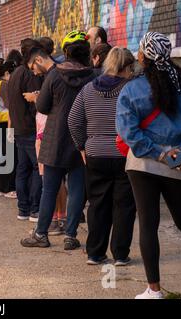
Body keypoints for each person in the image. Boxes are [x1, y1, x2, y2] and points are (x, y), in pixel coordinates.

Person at [116, 32, 181, 299]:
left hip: (142, 165)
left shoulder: (131, 89)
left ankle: (153, 290)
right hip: (179, 165)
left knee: (148, 224)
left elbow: (128, 133)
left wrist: (156, 153)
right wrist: (175, 156)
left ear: (143, 56)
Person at [21, 31, 96, 250]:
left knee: (50, 190)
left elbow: (42, 106)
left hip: (55, 140)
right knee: (76, 191)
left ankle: (41, 234)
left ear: (66, 52)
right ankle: (70, 236)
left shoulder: (54, 75)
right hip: (80, 141)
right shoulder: (92, 77)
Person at [68, 47, 137, 266]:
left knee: (97, 204)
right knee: (124, 205)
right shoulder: (130, 88)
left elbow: (73, 120)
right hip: (123, 153)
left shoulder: (88, 89)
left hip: (95, 152)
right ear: (126, 67)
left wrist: (82, 146)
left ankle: (95, 253)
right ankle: (120, 254)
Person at [23, 46, 67, 235]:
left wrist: (36, 98)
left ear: (39, 60)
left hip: (49, 138)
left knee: (50, 185)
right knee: (58, 183)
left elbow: (45, 107)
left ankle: (49, 225)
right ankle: (60, 220)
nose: (33, 71)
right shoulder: (59, 75)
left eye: (33, 67)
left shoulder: (52, 76)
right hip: (53, 137)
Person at [7, 38, 43, 222]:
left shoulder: (15, 73)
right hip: (29, 127)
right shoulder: (29, 75)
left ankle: (23, 208)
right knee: (36, 168)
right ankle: (34, 208)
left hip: (19, 127)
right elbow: (35, 103)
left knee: (23, 169)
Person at [0, 59, 18, 198]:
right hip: (7, 123)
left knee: (5, 156)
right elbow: (11, 106)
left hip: (0, 123)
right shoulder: (5, 85)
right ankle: (9, 188)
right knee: (10, 157)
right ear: (7, 73)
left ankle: (3, 188)